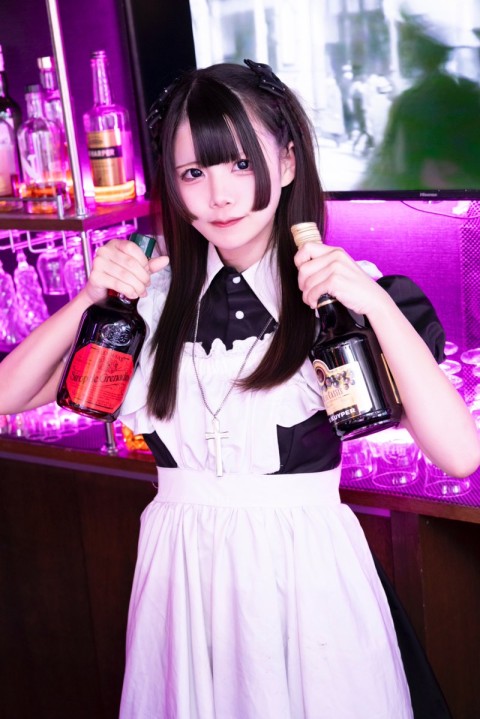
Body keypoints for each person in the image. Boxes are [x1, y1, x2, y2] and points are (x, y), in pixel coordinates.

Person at [0, 59, 479, 719]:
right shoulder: (152, 304)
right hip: (180, 580)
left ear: (286, 162)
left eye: (240, 164)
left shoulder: (342, 301)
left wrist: (371, 301)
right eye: (194, 173)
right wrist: (90, 295)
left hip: (307, 580)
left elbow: (459, 453)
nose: (219, 196)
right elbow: (10, 394)